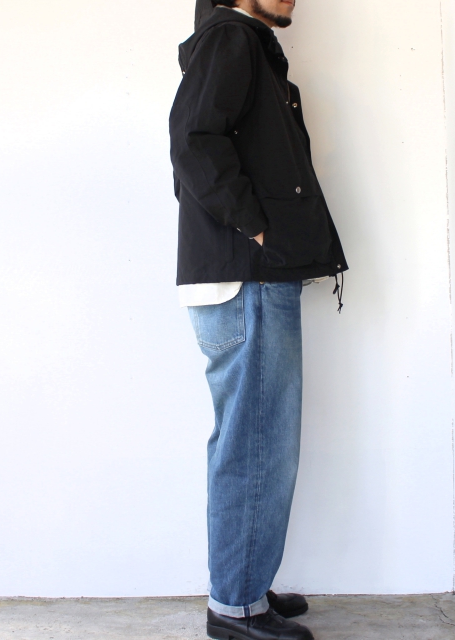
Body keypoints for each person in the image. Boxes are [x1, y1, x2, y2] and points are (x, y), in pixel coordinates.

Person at [169, 1, 348, 638]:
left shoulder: (239, 42)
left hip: (244, 273)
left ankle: (243, 582)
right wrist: (259, 227)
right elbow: (193, 140)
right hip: (247, 275)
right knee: (256, 443)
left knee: (255, 439)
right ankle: (237, 607)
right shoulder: (231, 38)